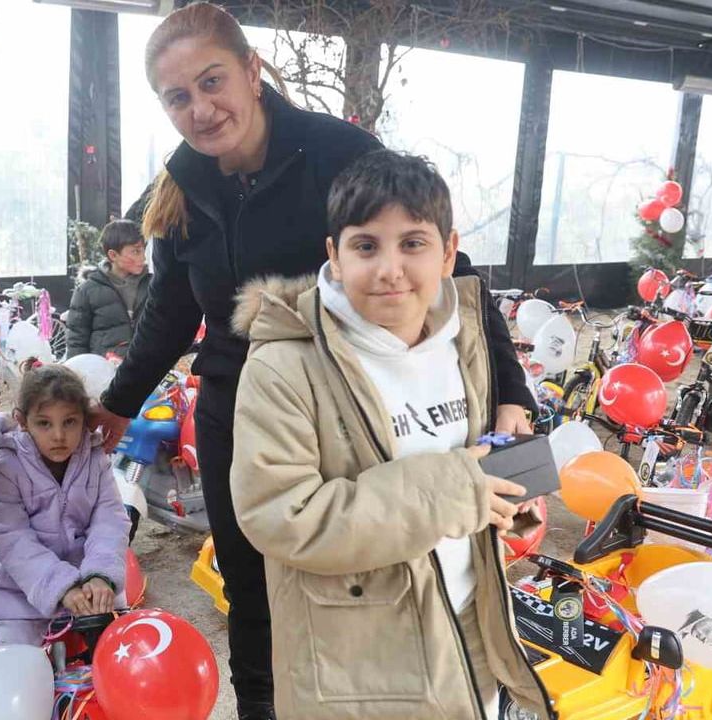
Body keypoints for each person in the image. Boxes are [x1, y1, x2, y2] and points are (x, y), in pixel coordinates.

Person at [87, 5, 536, 717]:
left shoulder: (337, 153)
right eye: (178, 97)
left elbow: (449, 268)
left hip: (350, 408)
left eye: (213, 81)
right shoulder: (180, 190)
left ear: (252, 72)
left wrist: (512, 390)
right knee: (253, 594)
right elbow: (170, 312)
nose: (201, 109)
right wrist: (116, 404)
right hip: (237, 411)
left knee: (361, 585)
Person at [228, 150, 550, 720]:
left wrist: (502, 502)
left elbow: (471, 478)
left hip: (470, 635)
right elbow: (280, 514)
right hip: (362, 671)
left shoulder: (463, 344)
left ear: (449, 252)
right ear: (334, 254)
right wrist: (456, 489)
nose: (389, 269)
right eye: (366, 245)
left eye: (413, 243)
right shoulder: (284, 365)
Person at [0, 364, 131, 645]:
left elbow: (110, 521)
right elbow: (12, 539)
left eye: (69, 422)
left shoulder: (95, 458)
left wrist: (100, 577)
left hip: (85, 576)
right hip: (16, 587)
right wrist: (61, 587)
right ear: (22, 421)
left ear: (86, 419)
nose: (58, 435)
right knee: (19, 658)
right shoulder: (2, 468)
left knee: (122, 640)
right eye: (44, 423)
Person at [65, 219, 151, 359]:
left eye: (143, 250)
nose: (143, 257)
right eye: (136, 251)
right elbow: (77, 340)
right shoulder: (87, 290)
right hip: (103, 369)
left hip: (146, 367)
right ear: (113, 255)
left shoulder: (153, 285)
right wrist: (78, 372)